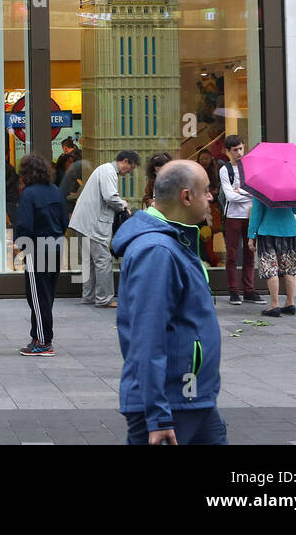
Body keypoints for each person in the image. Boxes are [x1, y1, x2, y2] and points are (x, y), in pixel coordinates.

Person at [113, 159, 225, 445]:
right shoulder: (157, 251)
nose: (211, 197)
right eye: (207, 190)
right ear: (187, 196)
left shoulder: (175, 241)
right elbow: (147, 337)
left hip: (192, 398)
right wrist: (158, 415)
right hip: (170, 405)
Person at [67, 150, 139, 308]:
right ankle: (104, 298)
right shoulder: (108, 171)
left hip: (83, 222)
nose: (129, 172)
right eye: (131, 168)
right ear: (125, 161)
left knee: (89, 262)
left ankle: (88, 296)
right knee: (102, 260)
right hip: (92, 224)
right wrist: (123, 204)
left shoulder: (103, 169)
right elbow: (110, 196)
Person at [12, 154, 67, 356]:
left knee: (37, 297)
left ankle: (43, 342)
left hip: (37, 249)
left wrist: (20, 245)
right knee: (47, 296)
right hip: (55, 246)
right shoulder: (55, 190)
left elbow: (24, 224)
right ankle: (39, 337)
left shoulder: (28, 194)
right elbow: (64, 220)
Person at [220, 135, 263, 306]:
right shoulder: (225, 170)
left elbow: (257, 191)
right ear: (228, 151)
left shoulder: (250, 167)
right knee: (231, 255)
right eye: (235, 150)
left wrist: (241, 192)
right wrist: (245, 193)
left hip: (250, 216)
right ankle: (233, 292)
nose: (239, 152)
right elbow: (229, 196)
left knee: (250, 253)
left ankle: (249, 290)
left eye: (241, 148)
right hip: (232, 217)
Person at [248, 189, 296, 318]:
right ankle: (290, 303)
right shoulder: (291, 187)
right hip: (290, 231)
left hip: (267, 231)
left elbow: (257, 212)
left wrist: (252, 235)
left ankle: (275, 304)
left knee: (270, 268)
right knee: (289, 269)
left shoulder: (260, 186)